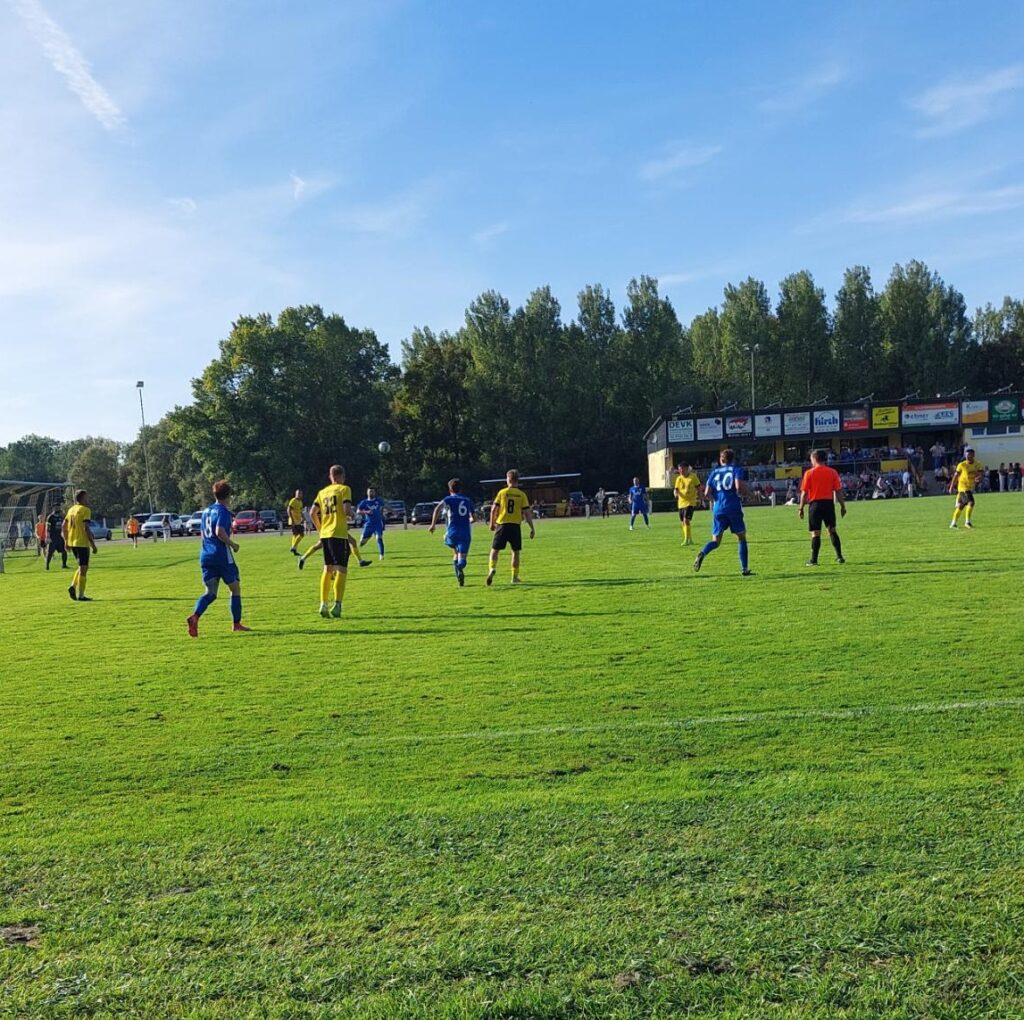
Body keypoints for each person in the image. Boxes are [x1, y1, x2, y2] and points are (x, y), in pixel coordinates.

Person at [186, 479, 250, 636]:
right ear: (228, 495)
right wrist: (233, 544)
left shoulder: (206, 512)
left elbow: (203, 534)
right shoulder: (223, 511)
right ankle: (236, 624)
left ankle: (195, 616)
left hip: (206, 555)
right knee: (235, 588)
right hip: (221, 555)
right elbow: (219, 531)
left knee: (210, 592)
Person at [693, 449, 753, 576]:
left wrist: (716, 500)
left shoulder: (714, 472)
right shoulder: (736, 469)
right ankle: (745, 568)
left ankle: (703, 552)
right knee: (741, 537)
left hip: (718, 508)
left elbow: (706, 493)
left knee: (715, 541)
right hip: (733, 507)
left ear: (721, 460)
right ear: (732, 459)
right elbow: (738, 487)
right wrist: (747, 494)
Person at [309, 464, 353, 618]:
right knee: (342, 569)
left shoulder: (322, 492)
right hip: (339, 533)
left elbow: (312, 512)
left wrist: (320, 529)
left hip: (326, 534)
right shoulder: (344, 489)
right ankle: (337, 605)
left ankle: (323, 603)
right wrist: (353, 515)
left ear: (330, 476)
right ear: (342, 476)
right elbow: (346, 510)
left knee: (327, 569)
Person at [798, 449, 847, 566]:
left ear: (815, 458)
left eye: (811, 459)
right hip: (828, 504)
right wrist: (842, 506)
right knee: (832, 530)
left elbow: (804, 493)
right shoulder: (832, 472)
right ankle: (839, 557)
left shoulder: (809, 473)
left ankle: (814, 560)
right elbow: (838, 491)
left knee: (815, 533)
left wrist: (801, 508)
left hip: (815, 505)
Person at [486, 469, 535, 586]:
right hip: (515, 526)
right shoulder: (522, 495)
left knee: (495, 550)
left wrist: (492, 523)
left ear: (508, 479)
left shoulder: (502, 492)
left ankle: (492, 568)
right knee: (515, 552)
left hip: (502, 524)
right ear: (518, 480)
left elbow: (493, 509)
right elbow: (527, 513)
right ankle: (514, 577)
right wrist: (532, 528)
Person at [429, 478, 475, 585]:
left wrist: (433, 525)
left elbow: (437, 509)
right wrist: (467, 520)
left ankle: (458, 575)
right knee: (462, 558)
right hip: (465, 533)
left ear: (450, 489)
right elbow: (474, 518)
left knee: (454, 551)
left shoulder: (448, 499)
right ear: (461, 489)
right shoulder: (467, 500)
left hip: (452, 532)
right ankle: (460, 566)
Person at [62, 489, 98, 601]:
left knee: (82, 566)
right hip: (82, 542)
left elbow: (64, 526)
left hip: (72, 542)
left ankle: (73, 586)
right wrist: (93, 544)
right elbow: (86, 528)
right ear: (82, 498)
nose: (88, 499)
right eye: (86, 497)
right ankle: (81, 595)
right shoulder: (85, 510)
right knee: (83, 568)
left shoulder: (71, 509)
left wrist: (66, 541)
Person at [948, 446, 984, 529]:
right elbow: (955, 476)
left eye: (969, 455)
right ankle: (967, 522)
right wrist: (951, 487)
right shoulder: (962, 465)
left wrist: (979, 477)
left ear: (973, 455)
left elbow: (981, 473)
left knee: (961, 505)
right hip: (963, 487)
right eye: (966, 455)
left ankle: (953, 524)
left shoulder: (977, 464)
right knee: (971, 502)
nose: (968, 457)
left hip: (969, 487)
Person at [673, 463, 700, 545]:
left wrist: (700, 498)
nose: (681, 471)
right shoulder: (678, 478)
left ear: (687, 468)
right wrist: (675, 493)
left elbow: (698, 488)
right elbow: (676, 489)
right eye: (679, 469)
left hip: (690, 502)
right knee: (683, 522)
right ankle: (690, 539)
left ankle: (686, 540)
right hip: (681, 503)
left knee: (686, 520)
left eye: (682, 469)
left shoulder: (693, 477)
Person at [357, 487, 386, 560]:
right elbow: (358, 511)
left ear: (375, 493)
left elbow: (385, 506)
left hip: (378, 523)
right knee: (362, 542)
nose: (371, 493)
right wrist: (366, 512)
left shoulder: (378, 500)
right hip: (369, 524)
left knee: (379, 538)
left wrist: (393, 511)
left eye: (372, 491)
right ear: (367, 493)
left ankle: (381, 555)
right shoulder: (364, 502)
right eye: (370, 491)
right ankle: (367, 538)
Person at [286, 489, 305, 556]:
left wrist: (303, 517)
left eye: (301, 494)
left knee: (295, 535)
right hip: (294, 521)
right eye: (298, 493)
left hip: (298, 521)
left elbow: (300, 511)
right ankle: (293, 547)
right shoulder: (293, 500)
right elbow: (288, 510)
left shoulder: (300, 502)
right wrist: (292, 519)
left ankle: (294, 550)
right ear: (296, 494)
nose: (300, 495)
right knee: (301, 534)